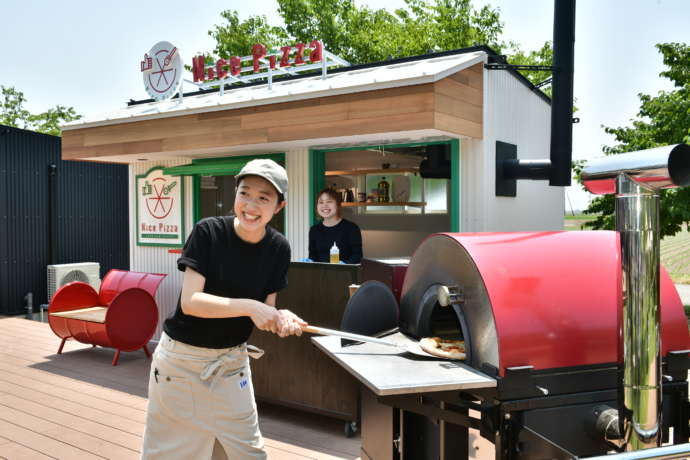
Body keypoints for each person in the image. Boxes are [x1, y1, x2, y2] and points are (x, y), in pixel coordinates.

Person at [141, 159, 306, 460]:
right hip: (181, 362)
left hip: (231, 363)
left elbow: (265, 312)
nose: (251, 205)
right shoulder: (208, 233)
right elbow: (191, 302)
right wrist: (250, 307)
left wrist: (281, 318)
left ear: (278, 207)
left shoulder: (278, 248)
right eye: (244, 193)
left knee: (248, 453)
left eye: (263, 198)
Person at [308, 188, 363, 264]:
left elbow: (357, 256)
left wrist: (344, 265)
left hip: (346, 274)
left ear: (338, 205)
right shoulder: (314, 230)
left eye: (329, 201)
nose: (324, 205)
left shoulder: (351, 228)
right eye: (321, 202)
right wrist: (310, 261)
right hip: (321, 275)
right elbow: (313, 257)